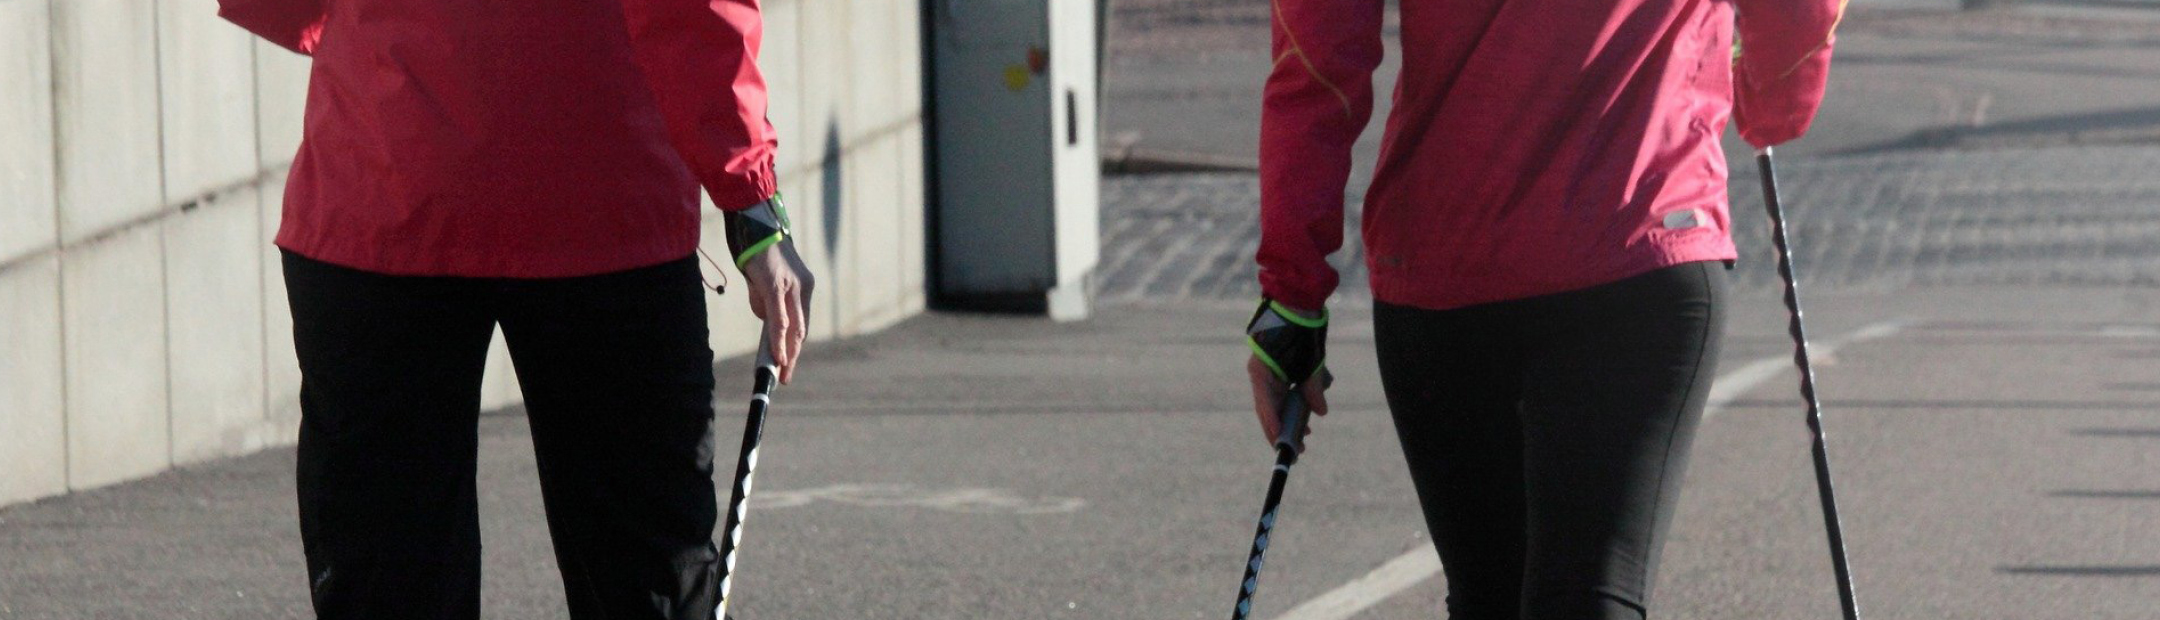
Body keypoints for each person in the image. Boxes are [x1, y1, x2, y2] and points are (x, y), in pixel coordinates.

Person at [1243, 1, 1843, 618]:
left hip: (1444, 262)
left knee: (1491, 599)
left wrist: (1291, 295)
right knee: (1585, 598)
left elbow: (1314, 61)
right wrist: (1772, 97)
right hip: (1636, 240)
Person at [217, 1, 813, 618]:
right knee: (647, 578)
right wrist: (751, 203)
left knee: (387, 581)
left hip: (384, 178)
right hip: (603, 201)